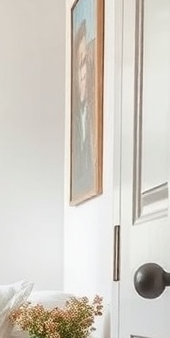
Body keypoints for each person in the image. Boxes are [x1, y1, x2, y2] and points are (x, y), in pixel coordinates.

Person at [71, 19, 96, 202]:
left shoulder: (93, 119)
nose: (84, 72)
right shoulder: (74, 122)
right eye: (80, 65)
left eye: (86, 63)